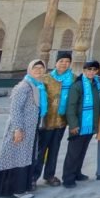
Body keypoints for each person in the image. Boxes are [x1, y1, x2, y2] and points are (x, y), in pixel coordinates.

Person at [0, 59, 46, 198]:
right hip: (20, 129)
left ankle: (20, 187)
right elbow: (15, 109)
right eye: (36, 68)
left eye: (41, 68)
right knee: (17, 158)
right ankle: (16, 189)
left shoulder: (37, 86)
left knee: (24, 157)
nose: (39, 71)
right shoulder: (24, 87)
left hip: (30, 129)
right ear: (30, 70)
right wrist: (17, 129)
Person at [33, 50, 74, 188]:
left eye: (67, 61)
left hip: (61, 121)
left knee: (55, 149)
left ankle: (49, 175)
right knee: (41, 150)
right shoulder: (46, 78)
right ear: (56, 62)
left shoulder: (73, 79)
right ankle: (33, 176)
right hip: (46, 120)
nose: (64, 64)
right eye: (61, 61)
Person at [62, 60, 100, 189]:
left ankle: (77, 173)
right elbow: (71, 106)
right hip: (79, 124)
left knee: (82, 150)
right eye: (89, 69)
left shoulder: (95, 84)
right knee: (73, 152)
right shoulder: (78, 85)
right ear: (84, 70)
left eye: (94, 70)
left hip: (89, 124)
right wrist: (73, 125)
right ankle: (68, 177)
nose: (91, 72)